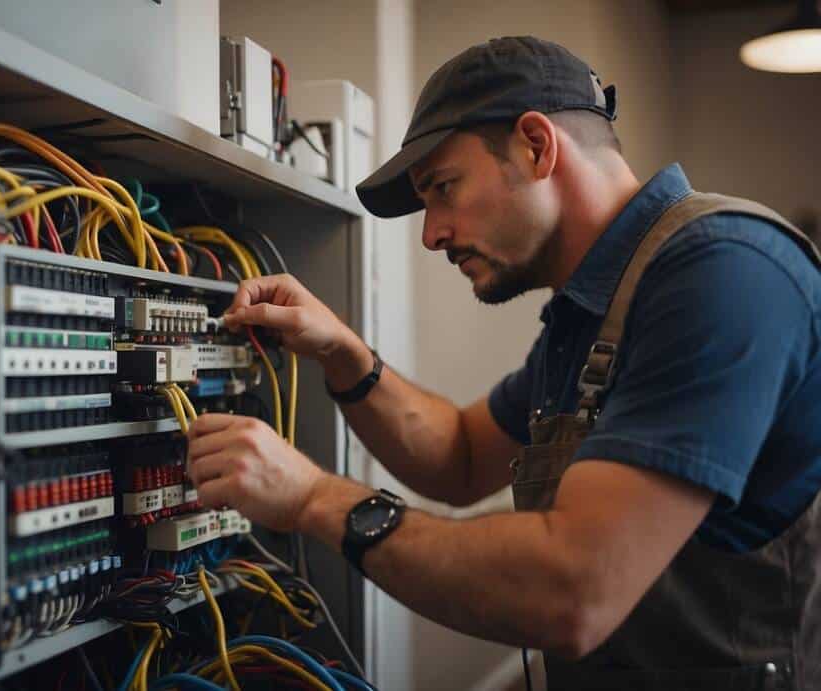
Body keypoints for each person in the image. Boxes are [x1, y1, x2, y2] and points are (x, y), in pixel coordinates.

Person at [187, 36, 821, 689]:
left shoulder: (723, 275)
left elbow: (575, 588)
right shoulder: (592, 317)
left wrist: (315, 498)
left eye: (442, 187)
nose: (431, 232)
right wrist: (345, 354)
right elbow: (460, 455)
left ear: (537, 145)